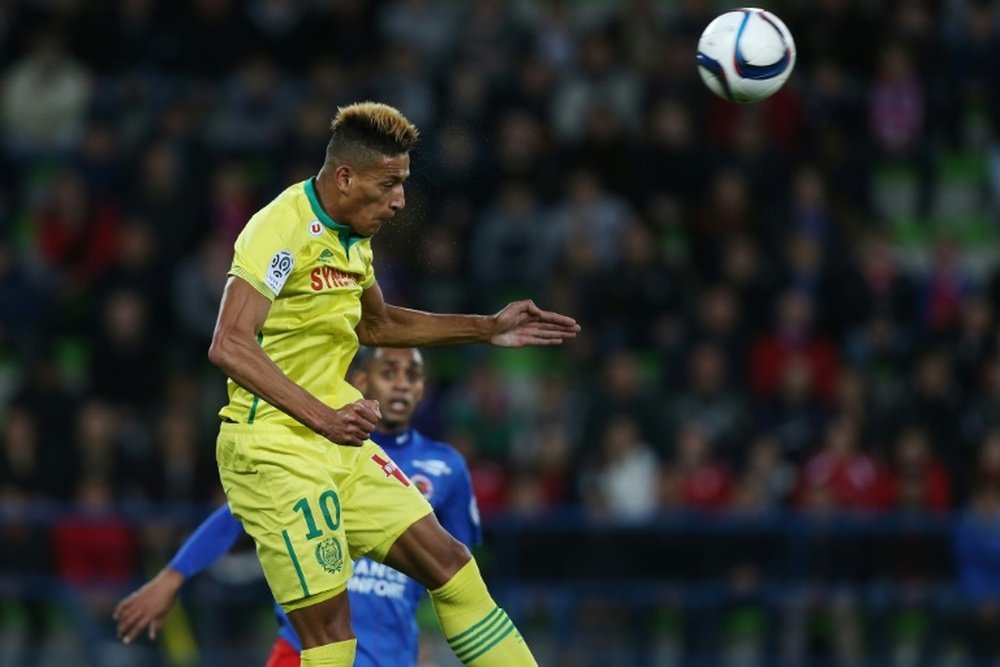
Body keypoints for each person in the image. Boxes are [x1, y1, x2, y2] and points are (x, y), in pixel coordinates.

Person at [201, 102, 577, 666]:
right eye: (390, 183)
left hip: (339, 442)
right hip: (273, 451)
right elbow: (229, 342)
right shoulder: (278, 229)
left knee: (452, 568)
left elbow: (375, 323)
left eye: (403, 182)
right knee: (331, 635)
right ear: (346, 176)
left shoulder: (353, 234)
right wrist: (322, 417)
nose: (400, 199)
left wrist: (486, 328)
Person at [114, 347, 481, 666]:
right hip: (304, 646)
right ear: (360, 380)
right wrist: (173, 576)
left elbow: (455, 577)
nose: (402, 383)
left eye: (413, 375)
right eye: (389, 372)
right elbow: (238, 514)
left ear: (423, 389)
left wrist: (430, 636)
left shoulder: (447, 467)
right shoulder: (314, 445)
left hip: (391, 651)